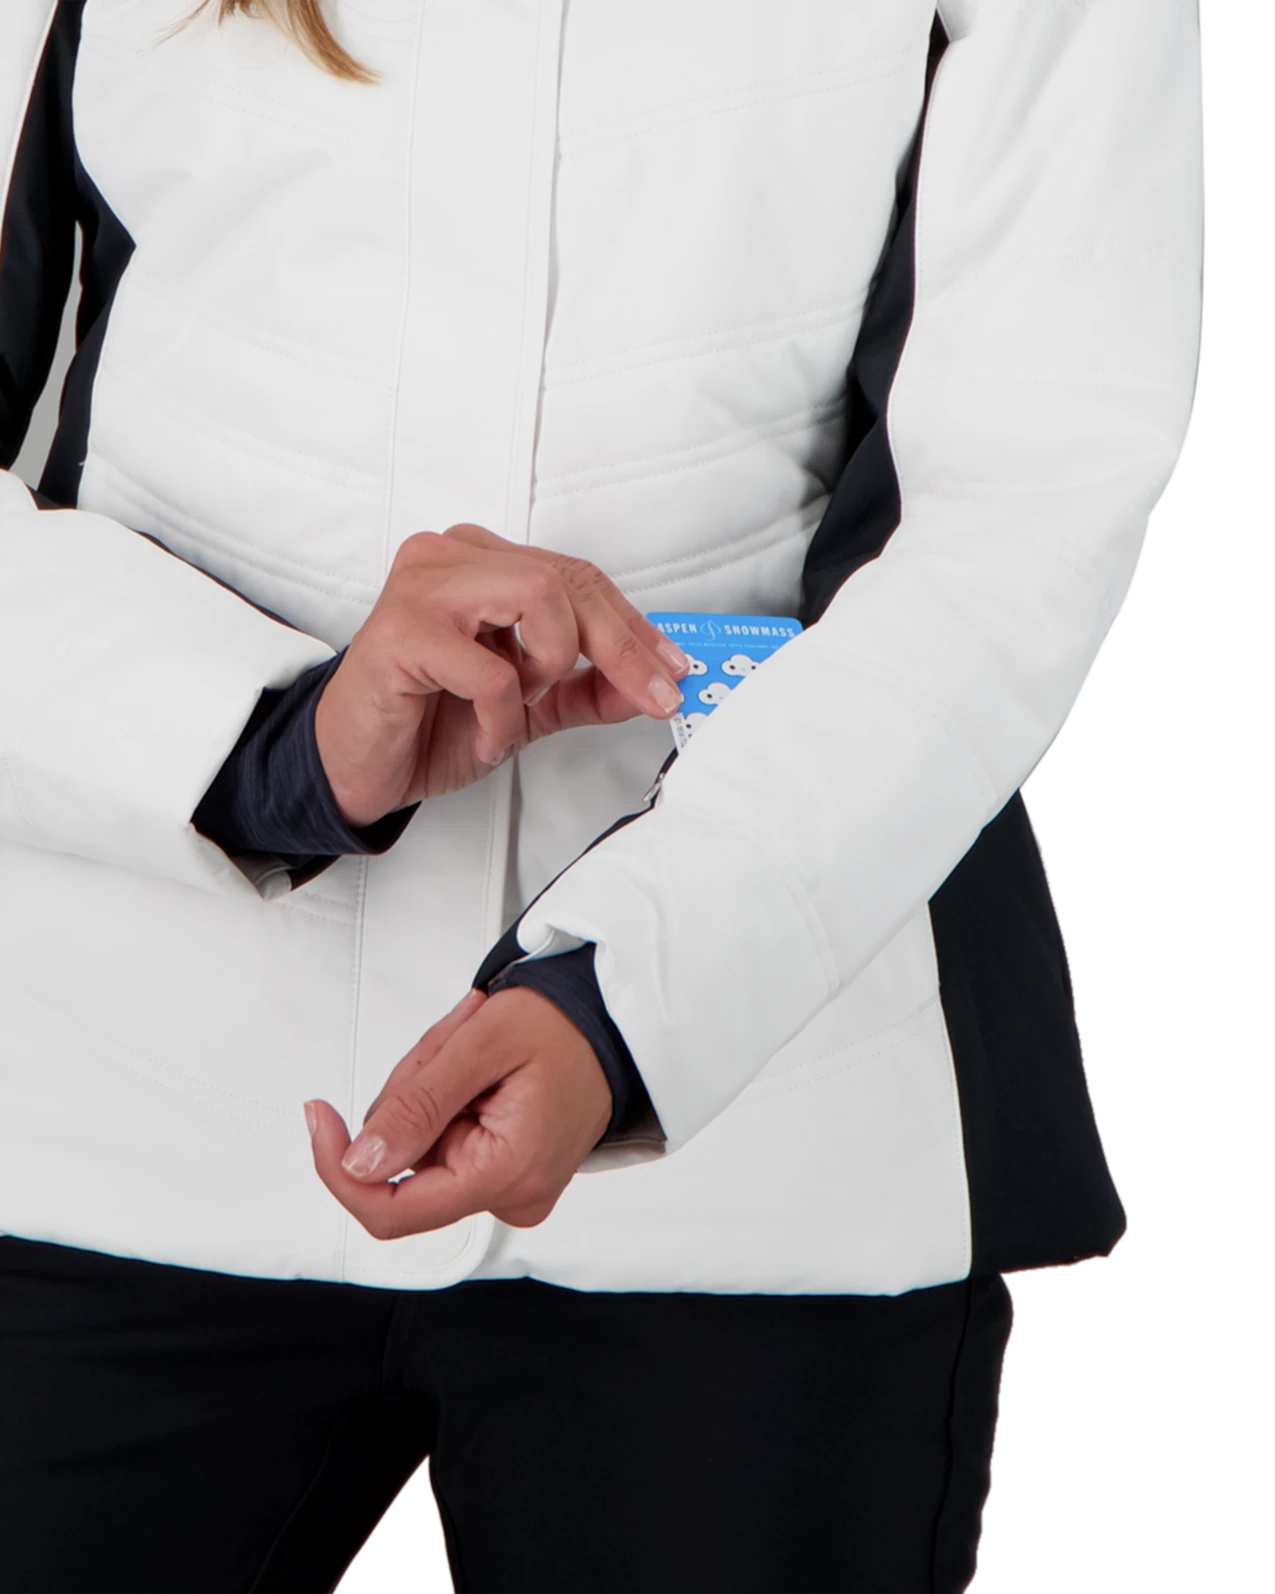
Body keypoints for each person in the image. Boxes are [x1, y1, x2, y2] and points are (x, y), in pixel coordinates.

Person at [0, 2, 1205, 1591]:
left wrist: (627, 1000)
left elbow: (1014, 515)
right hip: (107, 1112)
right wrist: (269, 744)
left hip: (762, 1145)